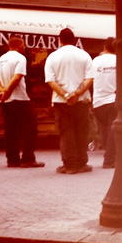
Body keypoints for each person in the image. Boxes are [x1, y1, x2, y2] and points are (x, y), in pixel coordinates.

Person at [44, 28, 93, 174]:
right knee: (81, 131)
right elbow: (89, 78)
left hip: (61, 101)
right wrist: (77, 94)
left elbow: (51, 81)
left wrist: (66, 95)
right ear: (74, 40)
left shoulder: (53, 57)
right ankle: (81, 162)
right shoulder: (84, 55)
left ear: (60, 40)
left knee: (66, 132)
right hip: (82, 100)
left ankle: (70, 165)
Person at [0, 36, 45, 168]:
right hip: (20, 98)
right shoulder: (20, 58)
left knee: (10, 128)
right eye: (24, 45)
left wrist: (3, 91)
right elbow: (17, 77)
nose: (25, 47)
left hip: (6, 101)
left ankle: (12, 158)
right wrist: (7, 91)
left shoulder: (1, 59)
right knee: (29, 127)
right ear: (20, 44)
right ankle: (28, 158)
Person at [90, 37, 117, 168]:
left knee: (104, 129)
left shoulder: (95, 61)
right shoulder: (118, 60)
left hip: (98, 101)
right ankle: (109, 159)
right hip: (113, 99)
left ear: (104, 47)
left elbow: (90, 79)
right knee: (113, 130)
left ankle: (108, 153)